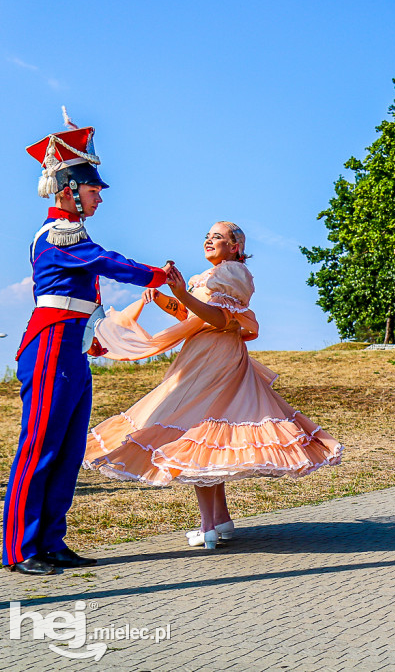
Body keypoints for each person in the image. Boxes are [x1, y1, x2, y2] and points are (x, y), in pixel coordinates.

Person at [83, 222, 344, 549]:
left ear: (235, 246)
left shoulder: (232, 273)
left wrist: (180, 294)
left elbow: (221, 320)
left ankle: (208, 526)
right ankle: (220, 520)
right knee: (208, 436)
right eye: (207, 236)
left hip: (214, 358)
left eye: (218, 237)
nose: (209, 240)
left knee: (196, 434)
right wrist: (165, 298)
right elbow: (192, 316)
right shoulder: (210, 277)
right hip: (204, 354)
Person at [4, 111, 171, 576]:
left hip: (69, 346)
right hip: (50, 347)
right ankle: (20, 549)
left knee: (69, 448)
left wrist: (93, 335)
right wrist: (157, 275)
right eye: (93, 188)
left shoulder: (74, 233)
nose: (99, 196)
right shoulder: (61, 232)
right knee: (39, 446)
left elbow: (85, 291)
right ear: (68, 189)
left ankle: (50, 540)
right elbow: (108, 263)